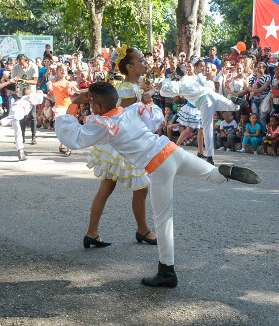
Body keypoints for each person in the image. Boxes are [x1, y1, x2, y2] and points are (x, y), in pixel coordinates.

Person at [55, 81, 260, 287]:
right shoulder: (132, 110)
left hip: (159, 166)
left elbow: (74, 138)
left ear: (97, 107)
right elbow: (154, 118)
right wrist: (147, 99)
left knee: (163, 220)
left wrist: (74, 104)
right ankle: (225, 172)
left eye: (91, 105)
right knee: (211, 175)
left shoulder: (105, 126)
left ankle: (166, 272)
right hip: (171, 149)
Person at [82, 47, 158, 248]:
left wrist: (146, 93)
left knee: (109, 188)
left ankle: (92, 233)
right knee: (140, 187)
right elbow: (120, 112)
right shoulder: (127, 88)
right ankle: (142, 230)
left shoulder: (133, 86)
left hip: (121, 143)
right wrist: (147, 95)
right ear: (130, 67)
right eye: (141, 60)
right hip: (124, 146)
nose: (145, 63)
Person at [160, 61, 240, 164]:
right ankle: (236, 103)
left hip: (204, 102)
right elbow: (205, 82)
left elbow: (165, 91)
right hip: (211, 94)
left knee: (206, 128)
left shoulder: (179, 84)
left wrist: (168, 80)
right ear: (187, 71)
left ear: (177, 74)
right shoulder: (194, 77)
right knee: (231, 106)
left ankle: (210, 156)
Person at [0, 87, 45, 161]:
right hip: (19, 110)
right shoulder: (30, 96)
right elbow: (38, 98)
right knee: (12, 119)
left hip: (14, 109)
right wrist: (40, 93)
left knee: (18, 132)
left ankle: (21, 152)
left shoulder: (23, 98)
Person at [11, 54, 39, 145]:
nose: (21, 66)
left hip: (31, 94)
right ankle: (22, 136)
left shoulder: (33, 67)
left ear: (27, 61)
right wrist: (15, 88)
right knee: (21, 116)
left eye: (22, 63)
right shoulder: (15, 68)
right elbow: (13, 81)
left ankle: (33, 136)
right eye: (19, 64)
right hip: (21, 93)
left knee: (32, 115)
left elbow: (35, 81)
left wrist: (23, 81)